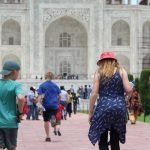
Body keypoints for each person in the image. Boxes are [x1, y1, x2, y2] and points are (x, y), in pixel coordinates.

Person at [88, 51, 132, 150]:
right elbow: (129, 90)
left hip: (103, 107)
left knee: (103, 140)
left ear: (101, 62)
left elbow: (94, 93)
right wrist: (125, 100)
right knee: (115, 140)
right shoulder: (121, 71)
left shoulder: (99, 72)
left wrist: (90, 112)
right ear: (114, 61)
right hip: (119, 108)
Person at [0, 61, 24, 150]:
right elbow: (21, 98)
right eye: (18, 72)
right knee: (11, 147)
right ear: (14, 72)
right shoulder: (15, 85)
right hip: (10, 122)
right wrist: (20, 112)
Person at [37, 72, 61, 142]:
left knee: (46, 120)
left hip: (46, 105)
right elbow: (59, 96)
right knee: (52, 116)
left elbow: (40, 97)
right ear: (52, 77)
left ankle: (48, 136)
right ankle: (53, 118)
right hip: (54, 105)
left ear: (45, 76)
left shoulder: (42, 85)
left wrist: (39, 106)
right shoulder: (55, 85)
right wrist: (57, 102)